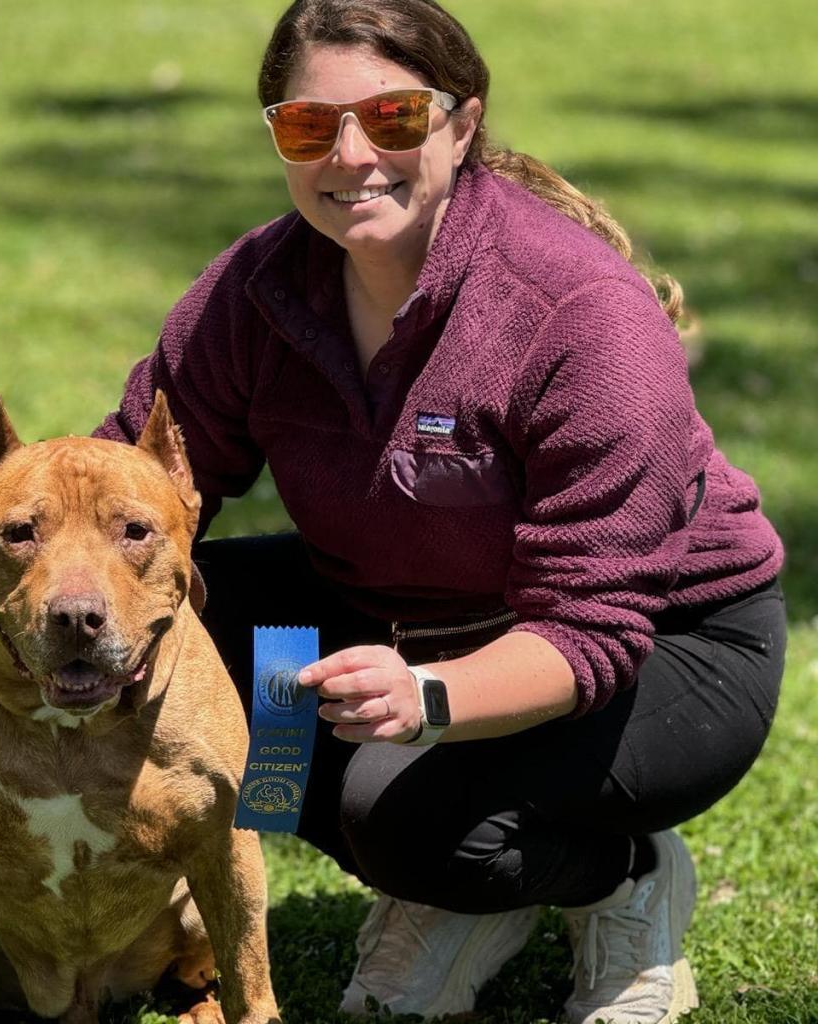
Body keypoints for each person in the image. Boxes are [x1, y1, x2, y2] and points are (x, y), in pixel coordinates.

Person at [94, 1, 786, 1021]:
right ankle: (452, 886)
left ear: (463, 125)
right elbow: (131, 479)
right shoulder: (255, 294)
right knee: (162, 630)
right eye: (306, 126)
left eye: (394, 119)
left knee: (402, 815)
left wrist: (426, 698)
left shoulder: (575, 312)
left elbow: (592, 629)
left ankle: (616, 875)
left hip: (663, 646)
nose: (350, 153)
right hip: (400, 604)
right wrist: (45, 586)